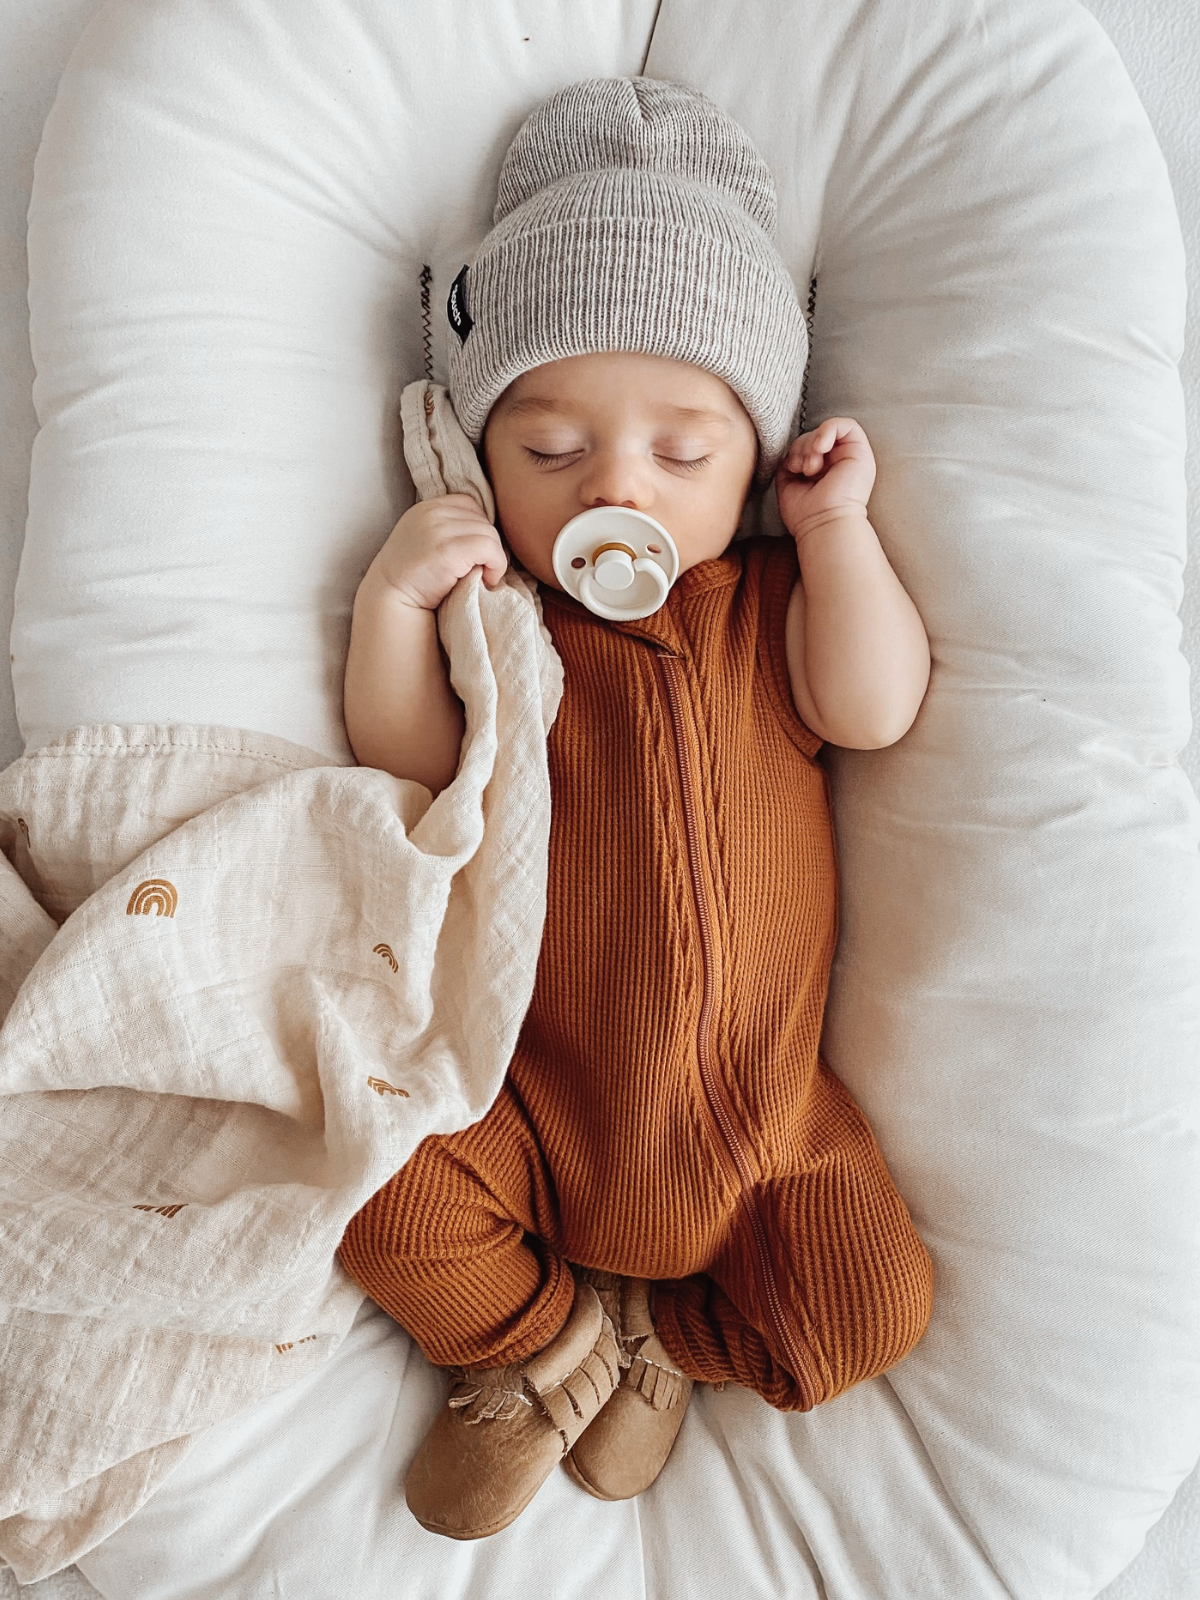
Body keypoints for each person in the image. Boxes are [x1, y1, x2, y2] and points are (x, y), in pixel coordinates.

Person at [338, 75, 934, 1541]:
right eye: (551, 451)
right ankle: (544, 1347)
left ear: (749, 462)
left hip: (770, 1127)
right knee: (372, 1188)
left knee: (868, 1309)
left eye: (684, 451)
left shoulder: (760, 608)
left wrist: (835, 534)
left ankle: (666, 1341)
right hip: (524, 1103)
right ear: (488, 455)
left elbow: (873, 709)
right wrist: (394, 603)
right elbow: (416, 764)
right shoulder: (510, 629)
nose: (620, 486)